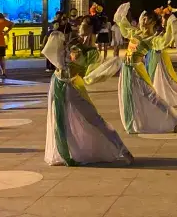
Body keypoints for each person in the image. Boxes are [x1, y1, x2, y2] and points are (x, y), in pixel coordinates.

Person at [41, 31, 133, 166]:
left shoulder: (90, 53)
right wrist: (61, 40)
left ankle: (123, 150)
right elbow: (48, 48)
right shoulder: (66, 48)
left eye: (85, 33)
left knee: (95, 119)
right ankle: (64, 153)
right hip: (57, 83)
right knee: (59, 120)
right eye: (79, 33)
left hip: (72, 86)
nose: (81, 36)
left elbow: (89, 74)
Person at [111, 3, 177, 134]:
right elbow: (125, 28)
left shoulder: (152, 39)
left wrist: (170, 26)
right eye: (143, 18)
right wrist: (121, 16)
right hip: (126, 69)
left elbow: (164, 42)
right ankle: (132, 124)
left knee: (151, 95)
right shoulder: (136, 32)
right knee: (128, 95)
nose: (143, 21)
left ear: (153, 22)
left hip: (137, 70)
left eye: (147, 19)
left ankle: (175, 118)